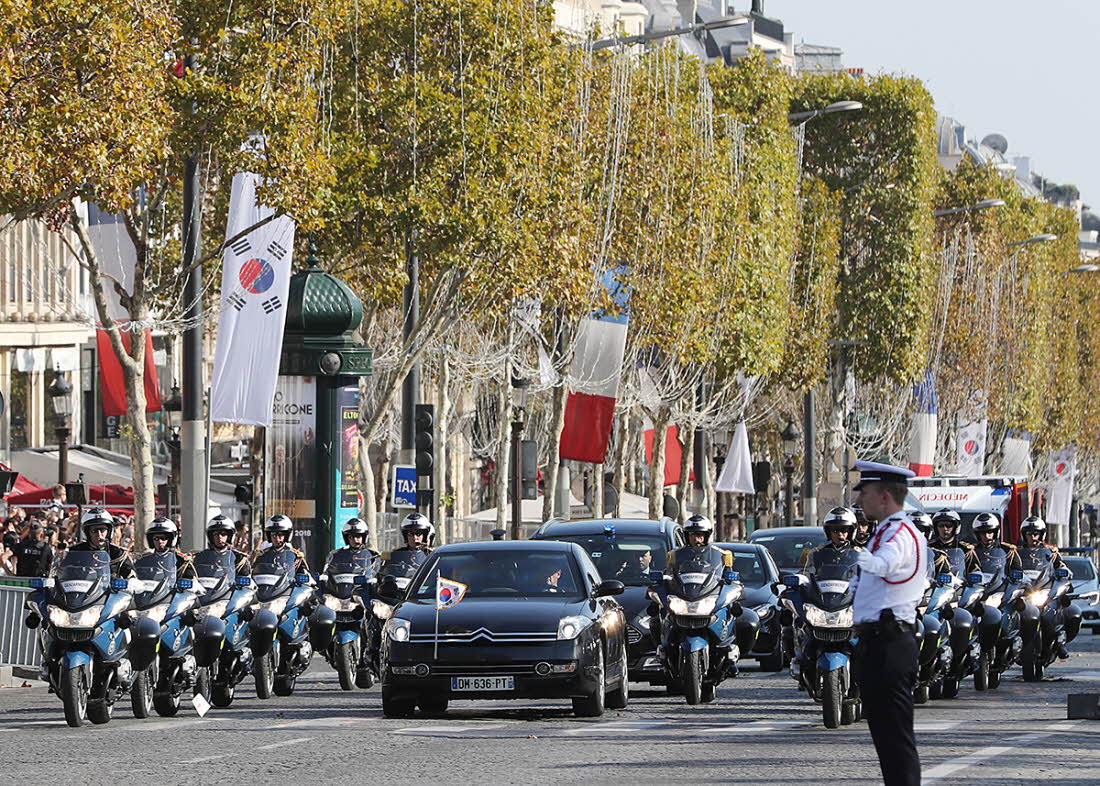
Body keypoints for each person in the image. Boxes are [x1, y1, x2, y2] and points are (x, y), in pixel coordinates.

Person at [851, 461, 924, 786]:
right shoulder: (883, 530)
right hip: (878, 640)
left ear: (884, 496)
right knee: (885, 735)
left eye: (864, 492)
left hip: (890, 640)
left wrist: (868, 560)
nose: (860, 500)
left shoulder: (899, 533)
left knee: (895, 737)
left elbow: (890, 561)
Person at [69, 508, 134, 578]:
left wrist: (132, 582)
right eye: (94, 530)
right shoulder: (75, 551)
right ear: (87, 533)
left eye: (102, 530)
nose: (99, 534)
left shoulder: (118, 554)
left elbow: (130, 574)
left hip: (109, 589)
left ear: (109, 531)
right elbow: (64, 574)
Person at [803, 506, 860, 577]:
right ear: (828, 532)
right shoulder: (817, 553)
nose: (839, 534)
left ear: (850, 532)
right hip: (822, 587)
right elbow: (807, 575)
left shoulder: (858, 554)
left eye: (844, 530)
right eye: (835, 530)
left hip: (851, 587)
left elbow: (865, 577)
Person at [927, 508, 980, 574]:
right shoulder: (929, 548)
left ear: (955, 528)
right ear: (936, 528)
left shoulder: (965, 549)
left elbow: (975, 572)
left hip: (959, 583)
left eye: (948, 526)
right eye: (941, 526)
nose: (945, 529)